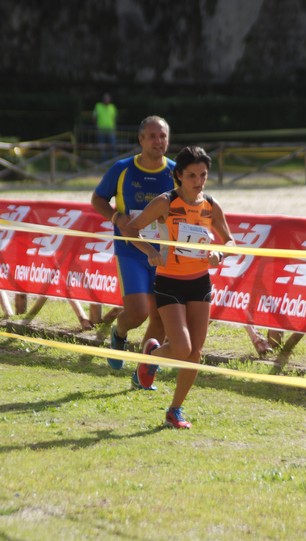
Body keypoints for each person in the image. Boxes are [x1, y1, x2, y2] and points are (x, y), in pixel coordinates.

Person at [128, 146, 235, 429]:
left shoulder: (211, 205)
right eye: (191, 176)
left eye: (203, 175)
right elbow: (131, 229)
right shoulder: (165, 202)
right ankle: (150, 358)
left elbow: (231, 241)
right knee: (181, 349)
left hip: (200, 282)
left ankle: (175, 410)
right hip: (169, 282)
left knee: (195, 352)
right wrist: (150, 251)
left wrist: (219, 254)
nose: (198, 181)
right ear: (179, 176)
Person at [91, 116, 175, 387]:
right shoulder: (123, 169)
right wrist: (116, 218)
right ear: (140, 140)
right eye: (152, 136)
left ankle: (143, 371)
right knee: (138, 312)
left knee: (161, 316)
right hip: (131, 251)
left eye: (162, 136)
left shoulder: (176, 171)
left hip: (164, 254)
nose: (158, 141)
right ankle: (120, 332)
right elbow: (97, 199)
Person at [92, 93, 118, 161]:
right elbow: (94, 117)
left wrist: (114, 128)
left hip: (111, 130)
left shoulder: (112, 107)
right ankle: (104, 161)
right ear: (103, 99)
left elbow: (114, 118)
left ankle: (114, 161)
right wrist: (96, 126)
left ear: (110, 100)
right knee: (102, 147)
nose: (106, 100)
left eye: (108, 99)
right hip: (101, 130)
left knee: (113, 146)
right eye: (105, 99)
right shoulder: (98, 106)